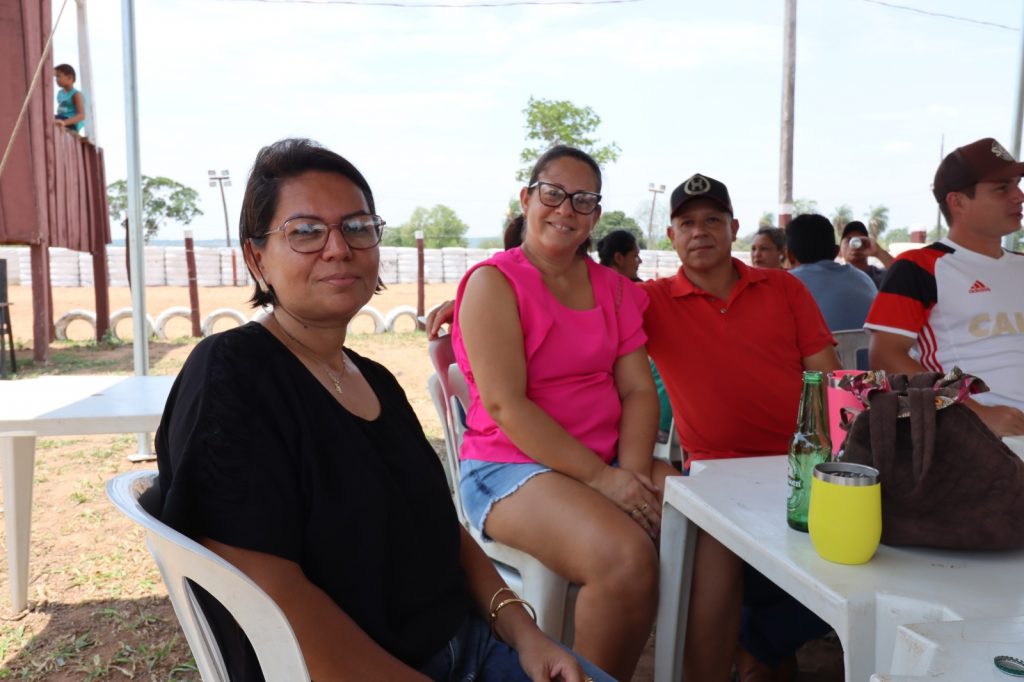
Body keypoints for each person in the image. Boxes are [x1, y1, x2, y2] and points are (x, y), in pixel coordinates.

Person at [155, 138, 609, 682]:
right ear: (257, 257)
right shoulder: (233, 372)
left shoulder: (374, 380)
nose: (337, 248)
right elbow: (268, 597)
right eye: (304, 231)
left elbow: (444, 532)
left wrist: (524, 632)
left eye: (356, 227)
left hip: (472, 648)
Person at [452, 145, 677, 681]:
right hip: (509, 467)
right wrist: (605, 480)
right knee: (624, 557)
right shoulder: (493, 283)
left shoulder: (616, 292)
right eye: (553, 193)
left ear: (596, 216)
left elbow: (639, 392)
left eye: (583, 200)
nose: (566, 210)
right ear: (527, 198)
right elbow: (507, 406)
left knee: (707, 524)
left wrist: (631, 473)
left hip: (604, 461)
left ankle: (703, 667)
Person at [641, 174, 839, 681]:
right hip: (718, 477)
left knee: (861, 546)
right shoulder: (652, 301)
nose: (700, 231)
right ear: (671, 236)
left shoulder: (783, 287)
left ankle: (761, 645)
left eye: (712, 220)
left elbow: (828, 375)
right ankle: (751, 655)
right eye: (687, 222)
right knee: (717, 563)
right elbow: (568, 301)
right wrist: (474, 294)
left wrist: (822, 459)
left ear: (734, 228)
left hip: (803, 463)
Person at [866, 136, 1024, 437]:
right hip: (980, 436)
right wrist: (974, 414)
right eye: (1003, 188)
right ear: (958, 202)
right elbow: (884, 357)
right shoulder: (919, 266)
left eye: (1017, 184)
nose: (1019, 196)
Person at [786, 213, 876, 331]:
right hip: (871, 348)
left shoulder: (786, 285)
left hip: (820, 349)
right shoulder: (864, 279)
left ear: (790, 256)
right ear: (836, 252)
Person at [839, 220, 893, 287]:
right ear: (839, 250)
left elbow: (904, 276)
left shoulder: (882, 277)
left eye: (861, 240)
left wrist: (879, 252)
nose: (855, 245)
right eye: (849, 240)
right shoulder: (834, 277)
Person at [53, 64, 85, 135]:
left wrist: (64, 123)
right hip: (60, 118)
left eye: (58, 76)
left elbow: (81, 115)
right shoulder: (60, 93)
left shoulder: (76, 94)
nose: (56, 79)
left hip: (70, 123)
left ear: (69, 77)